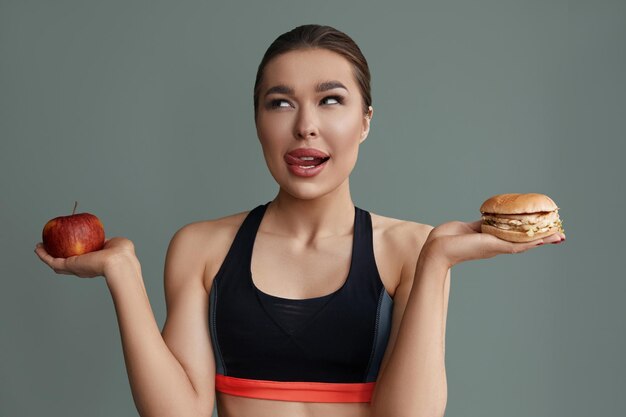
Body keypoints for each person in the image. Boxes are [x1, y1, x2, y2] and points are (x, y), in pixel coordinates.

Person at [34, 24, 565, 417]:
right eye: (280, 103)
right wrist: (123, 274)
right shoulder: (201, 247)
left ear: (365, 122)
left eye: (330, 100)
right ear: (258, 120)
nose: (305, 126)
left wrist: (439, 261)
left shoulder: (414, 247)